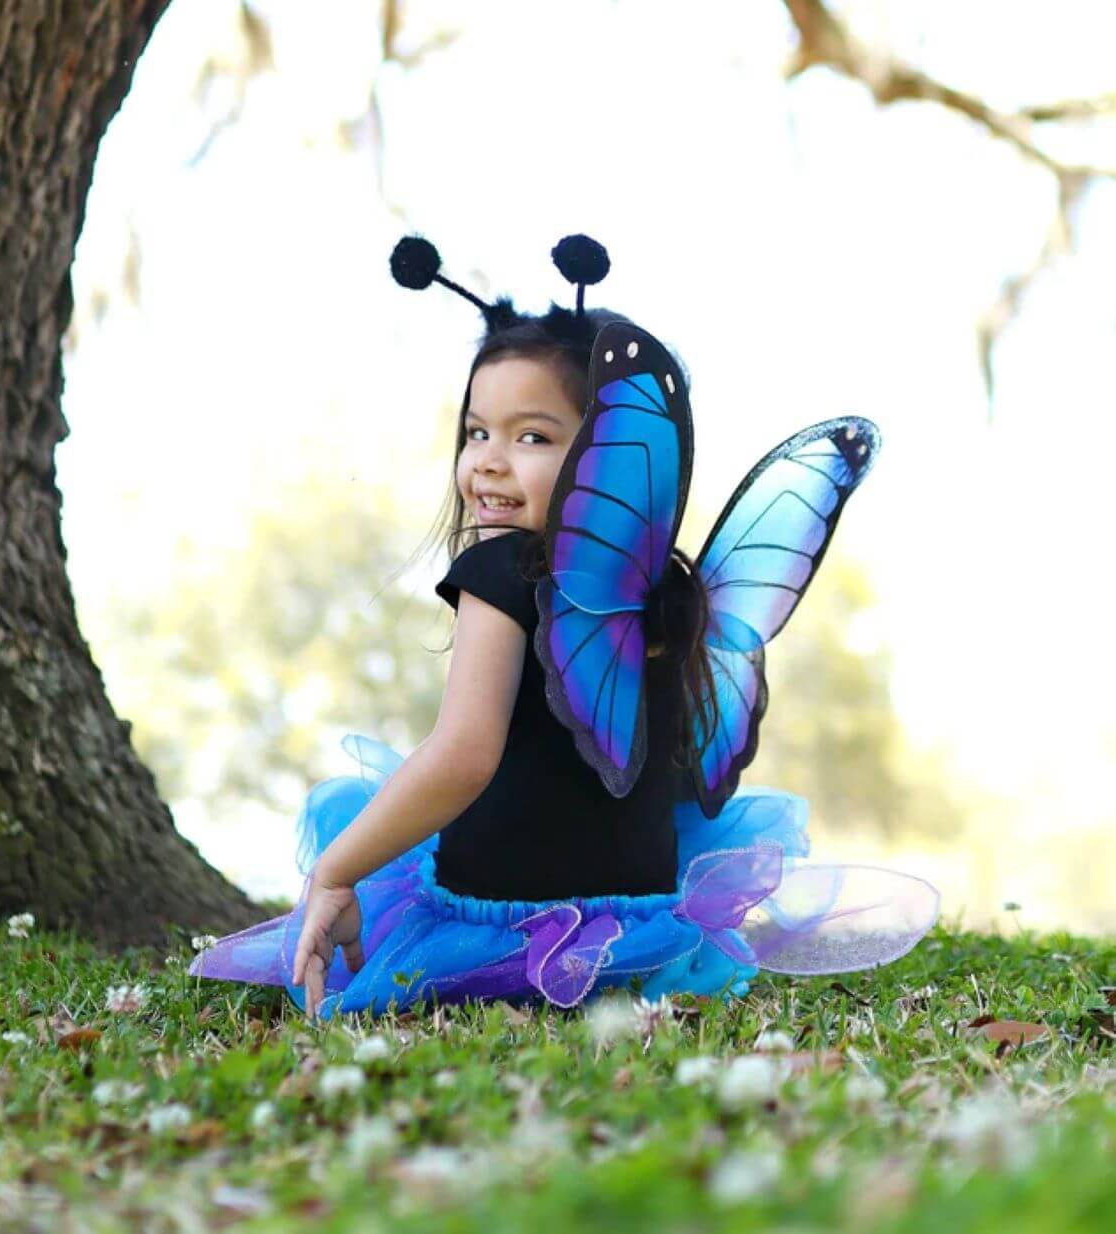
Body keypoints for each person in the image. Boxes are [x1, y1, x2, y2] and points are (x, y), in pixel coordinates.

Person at [190, 235, 939, 1018]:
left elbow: (462, 756)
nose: (487, 461)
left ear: (605, 453)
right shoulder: (668, 596)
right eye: (476, 432)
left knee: (379, 837)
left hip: (500, 924)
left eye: (532, 437)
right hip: (644, 926)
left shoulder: (501, 573)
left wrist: (338, 870)